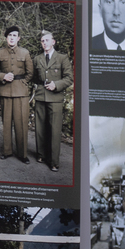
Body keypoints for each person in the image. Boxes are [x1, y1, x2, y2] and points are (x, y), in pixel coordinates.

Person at [0, 26, 33, 163]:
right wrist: (3, 76)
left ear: (18, 38)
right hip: (5, 91)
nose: (12, 38)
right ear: (6, 38)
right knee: (7, 122)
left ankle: (22, 154)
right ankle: (7, 151)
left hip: (21, 92)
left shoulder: (25, 52)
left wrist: (23, 83)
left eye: (14, 36)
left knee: (21, 123)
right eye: (9, 36)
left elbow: (30, 72)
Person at [32, 30, 73, 171]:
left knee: (54, 130)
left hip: (55, 98)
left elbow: (69, 78)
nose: (45, 43)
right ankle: (41, 154)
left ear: (53, 42)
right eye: (42, 41)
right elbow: (34, 77)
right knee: (40, 128)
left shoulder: (62, 58)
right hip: (40, 97)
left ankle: (54, 161)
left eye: (47, 40)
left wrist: (56, 85)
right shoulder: (37, 59)